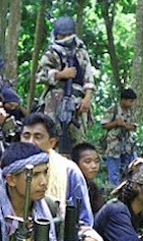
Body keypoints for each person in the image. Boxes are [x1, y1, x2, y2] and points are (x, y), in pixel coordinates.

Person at [20, 113, 95, 226]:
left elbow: (85, 221)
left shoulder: (69, 171)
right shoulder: (12, 171)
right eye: (26, 136)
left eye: (37, 137)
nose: (30, 142)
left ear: (52, 143)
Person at [36, 16, 95, 151]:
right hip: (54, 102)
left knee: (79, 142)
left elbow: (88, 77)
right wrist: (60, 74)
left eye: (67, 35)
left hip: (78, 101)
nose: (65, 38)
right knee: (53, 137)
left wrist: (87, 98)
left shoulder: (81, 52)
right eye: (62, 35)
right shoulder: (51, 52)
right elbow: (40, 75)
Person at [102, 88, 138, 186]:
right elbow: (104, 125)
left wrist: (126, 126)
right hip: (114, 145)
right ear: (123, 100)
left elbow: (134, 126)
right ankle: (113, 190)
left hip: (127, 145)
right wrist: (116, 123)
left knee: (130, 168)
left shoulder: (130, 111)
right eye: (130, 101)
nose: (131, 104)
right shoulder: (113, 110)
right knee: (114, 170)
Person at [71, 142, 105, 214]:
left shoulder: (92, 187)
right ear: (75, 164)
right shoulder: (70, 187)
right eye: (88, 162)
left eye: (96, 161)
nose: (94, 166)